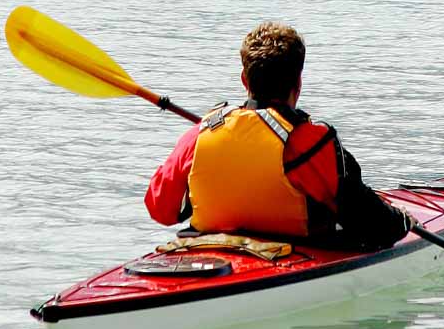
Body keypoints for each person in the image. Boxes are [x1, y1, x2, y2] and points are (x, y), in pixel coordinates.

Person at [143, 22, 411, 251]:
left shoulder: (200, 135)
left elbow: (161, 209)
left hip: (205, 250)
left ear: (244, 80)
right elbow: (375, 225)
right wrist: (403, 222)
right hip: (295, 255)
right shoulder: (309, 143)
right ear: (298, 83)